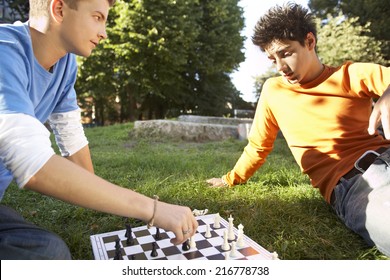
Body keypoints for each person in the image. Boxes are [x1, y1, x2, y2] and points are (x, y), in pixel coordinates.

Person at [0, 0, 197, 260]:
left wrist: (123, 203)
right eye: (97, 17)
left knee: (46, 251)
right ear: (58, 9)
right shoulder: (5, 52)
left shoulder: (65, 65)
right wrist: (153, 209)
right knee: (49, 254)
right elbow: (34, 166)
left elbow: (77, 156)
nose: (104, 32)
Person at [207, 2, 390, 257]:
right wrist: (230, 179)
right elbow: (258, 146)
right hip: (357, 181)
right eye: (273, 59)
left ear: (310, 41)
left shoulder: (350, 75)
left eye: (286, 53)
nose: (280, 66)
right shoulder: (274, 90)